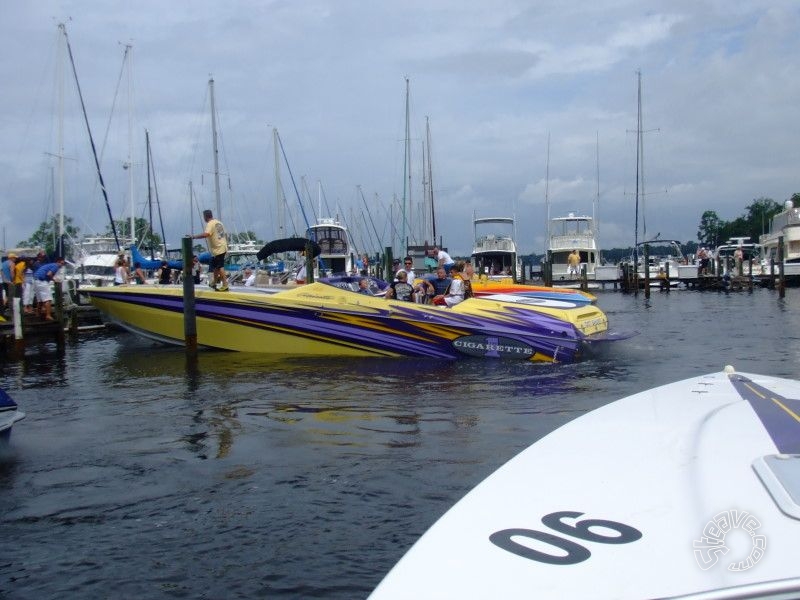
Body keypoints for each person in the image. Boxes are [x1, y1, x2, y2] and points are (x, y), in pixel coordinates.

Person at [191, 209, 229, 291]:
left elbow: (207, 234)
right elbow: (224, 234)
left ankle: (225, 285)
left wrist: (194, 237)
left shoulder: (210, 224)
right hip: (222, 246)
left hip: (218, 248)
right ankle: (214, 283)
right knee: (216, 267)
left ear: (205, 216)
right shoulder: (219, 223)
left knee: (220, 267)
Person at [33, 256, 65, 321]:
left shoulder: (50, 265)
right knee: (48, 299)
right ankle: (48, 315)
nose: (62, 265)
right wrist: (54, 280)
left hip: (35, 280)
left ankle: (38, 314)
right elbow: (49, 274)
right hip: (42, 281)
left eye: (63, 264)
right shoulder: (56, 266)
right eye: (62, 263)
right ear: (58, 262)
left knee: (40, 300)